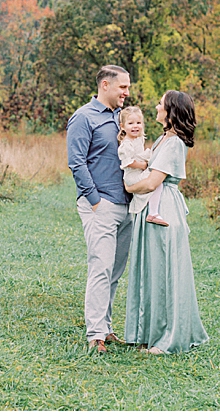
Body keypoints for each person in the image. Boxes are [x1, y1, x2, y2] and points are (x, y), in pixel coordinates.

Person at [124, 90, 209, 354]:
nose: (156, 106)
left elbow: (152, 181)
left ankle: (169, 337)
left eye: (160, 103)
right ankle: (150, 332)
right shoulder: (162, 139)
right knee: (151, 271)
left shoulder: (174, 143)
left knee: (164, 271)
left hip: (164, 209)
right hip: (151, 206)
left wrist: (126, 189)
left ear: (170, 111)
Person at [66, 65, 133, 354]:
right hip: (100, 205)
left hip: (126, 206)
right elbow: (76, 162)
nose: (127, 93)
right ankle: (95, 334)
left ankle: (106, 328)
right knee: (101, 268)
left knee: (115, 272)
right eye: (123, 87)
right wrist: (95, 200)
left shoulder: (123, 118)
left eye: (128, 88)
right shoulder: (83, 118)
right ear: (105, 85)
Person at [118, 106, 167, 227]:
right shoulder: (126, 144)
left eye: (138, 123)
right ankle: (153, 213)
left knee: (156, 181)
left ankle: (151, 209)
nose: (135, 126)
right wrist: (143, 165)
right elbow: (128, 162)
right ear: (122, 126)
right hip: (132, 175)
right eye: (130, 123)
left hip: (137, 172)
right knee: (156, 181)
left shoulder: (138, 139)